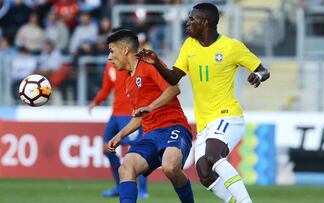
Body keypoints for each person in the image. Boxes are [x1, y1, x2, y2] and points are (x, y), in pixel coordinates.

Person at [136, 3, 270, 203]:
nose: (188, 23)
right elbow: (174, 78)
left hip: (227, 115)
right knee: (205, 174)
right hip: (205, 123)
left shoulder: (231, 47)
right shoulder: (189, 46)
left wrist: (257, 77)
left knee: (214, 156)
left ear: (205, 23)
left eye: (192, 19)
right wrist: (156, 63)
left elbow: (263, 70)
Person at [105, 29, 195, 203]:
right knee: (126, 167)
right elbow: (141, 115)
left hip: (174, 127)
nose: (109, 57)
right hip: (151, 134)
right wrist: (120, 135)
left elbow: (173, 88)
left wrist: (151, 106)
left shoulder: (148, 64)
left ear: (124, 50)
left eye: (111, 51)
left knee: (170, 167)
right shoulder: (128, 80)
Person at [88, 62, 148, 198]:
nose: (110, 55)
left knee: (135, 151)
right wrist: (96, 101)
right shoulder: (110, 65)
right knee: (106, 148)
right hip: (115, 114)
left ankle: (142, 189)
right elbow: (106, 88)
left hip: (130, 113)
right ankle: (119, 186)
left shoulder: (130, 62)